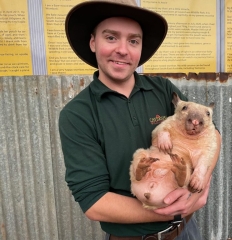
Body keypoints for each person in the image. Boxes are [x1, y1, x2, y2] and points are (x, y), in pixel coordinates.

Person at [59, 0, 221, 239]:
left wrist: (199, 185)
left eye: (133, 40)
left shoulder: (164, 90)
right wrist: (170, 210)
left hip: (185, 231)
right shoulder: (78, 114)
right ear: (93, 42)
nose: (123, 50)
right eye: (111, 37)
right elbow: (94, 203)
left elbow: (212, 134)